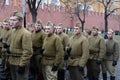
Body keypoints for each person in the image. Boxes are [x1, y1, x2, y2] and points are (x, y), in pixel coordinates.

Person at [9, 11, 33, 80]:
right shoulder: (13, 31)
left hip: (20, 62)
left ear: (20, 21)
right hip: (12, 61)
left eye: (14, 20)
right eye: (10, 20)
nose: (11, 22)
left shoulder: (25, 33)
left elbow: (28, 52)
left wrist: (22, 65)